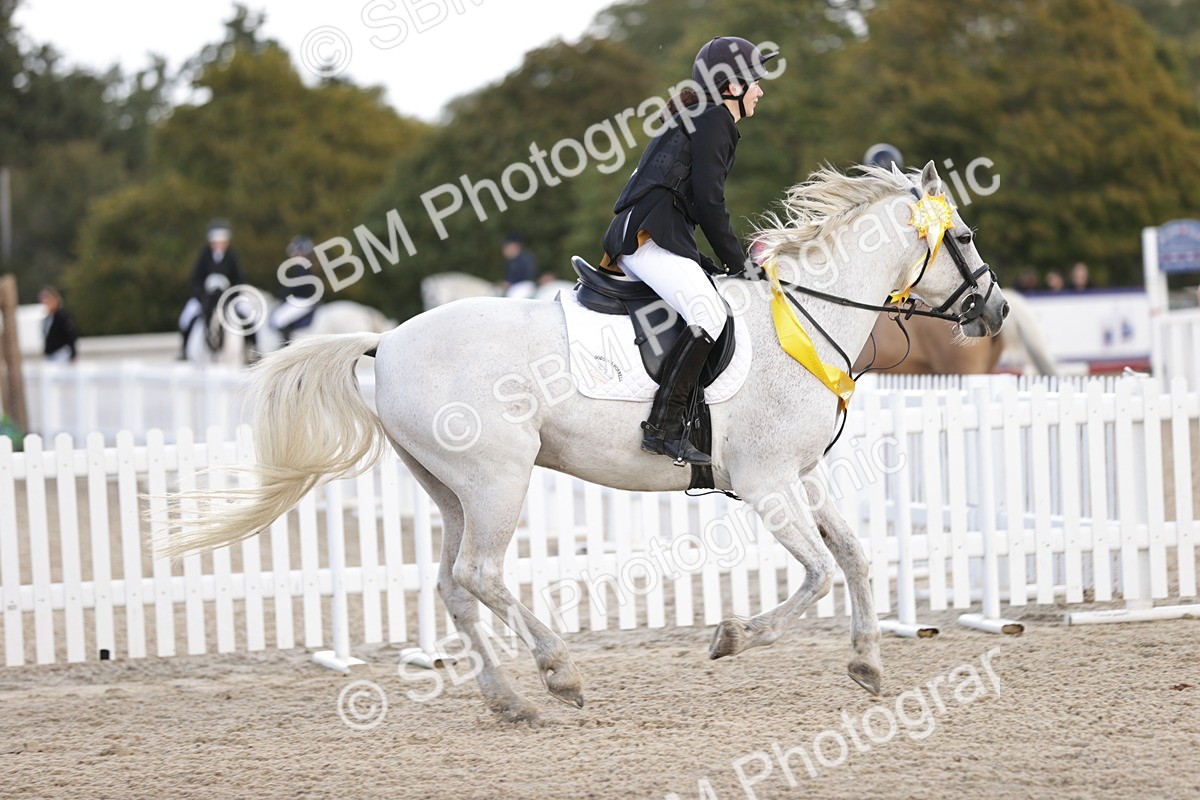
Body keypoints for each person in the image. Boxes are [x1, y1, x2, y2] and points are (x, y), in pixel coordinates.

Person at [600, 36, 778, 466]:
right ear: (732, 87)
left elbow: (695, 204)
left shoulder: (700, 115)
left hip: (650, 235)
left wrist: (724, 262)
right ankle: (664, 427)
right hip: (645, 239)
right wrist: (741, 266)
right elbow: (711, 203)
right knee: (710, 314)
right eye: (755, 81)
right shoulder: (715, 118)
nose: (761, 90)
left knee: (710, 297)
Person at [177, 218, 255, 359]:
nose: (219, 245)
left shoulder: (232, 255)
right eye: (216, 242)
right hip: (206, 298)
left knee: (247, 315)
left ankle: (251, 349)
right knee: (186, 318)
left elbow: (238, 279)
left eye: (222, 242)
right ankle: (184, 350)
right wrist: (201, 295)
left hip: (228, 297)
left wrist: (232, 294)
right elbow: (196, 278)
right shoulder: (204, 255)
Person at [270, 235, 320, 344]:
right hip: (303, 299)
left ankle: (285, 348)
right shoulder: (305, 265)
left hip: (302, 300)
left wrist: (281, 295)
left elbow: (295, 286)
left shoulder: (303, 266)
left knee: (278, 319)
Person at [39, 286, 79, 362]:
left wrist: (73, 353)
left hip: (62, 353)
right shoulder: (47, 318)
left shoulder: (63, 316)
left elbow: (71, 335)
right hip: (51, 355)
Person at [500, 233, 538, 299]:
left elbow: (522, 275)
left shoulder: (523, 259)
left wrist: (508, 283)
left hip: (522, 287)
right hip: (519, 287)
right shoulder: (512, 261)